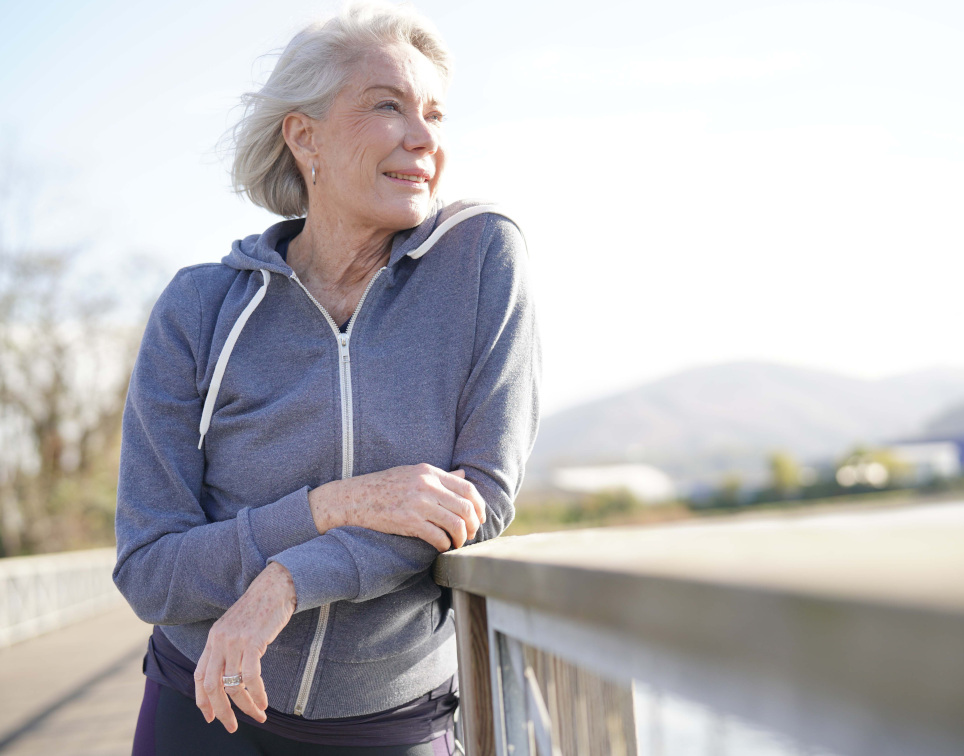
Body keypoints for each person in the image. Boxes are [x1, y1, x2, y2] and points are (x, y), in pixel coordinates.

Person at [112, 3, 540, 754]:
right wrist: (334, 507)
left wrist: (287, 581)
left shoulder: (479, 260)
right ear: (303, 136)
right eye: (387, 105)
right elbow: (150, 571)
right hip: (204, 702)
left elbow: (479, 501)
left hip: (387, 722)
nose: (423, 137)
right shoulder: (200, 308)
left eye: (435, 114)